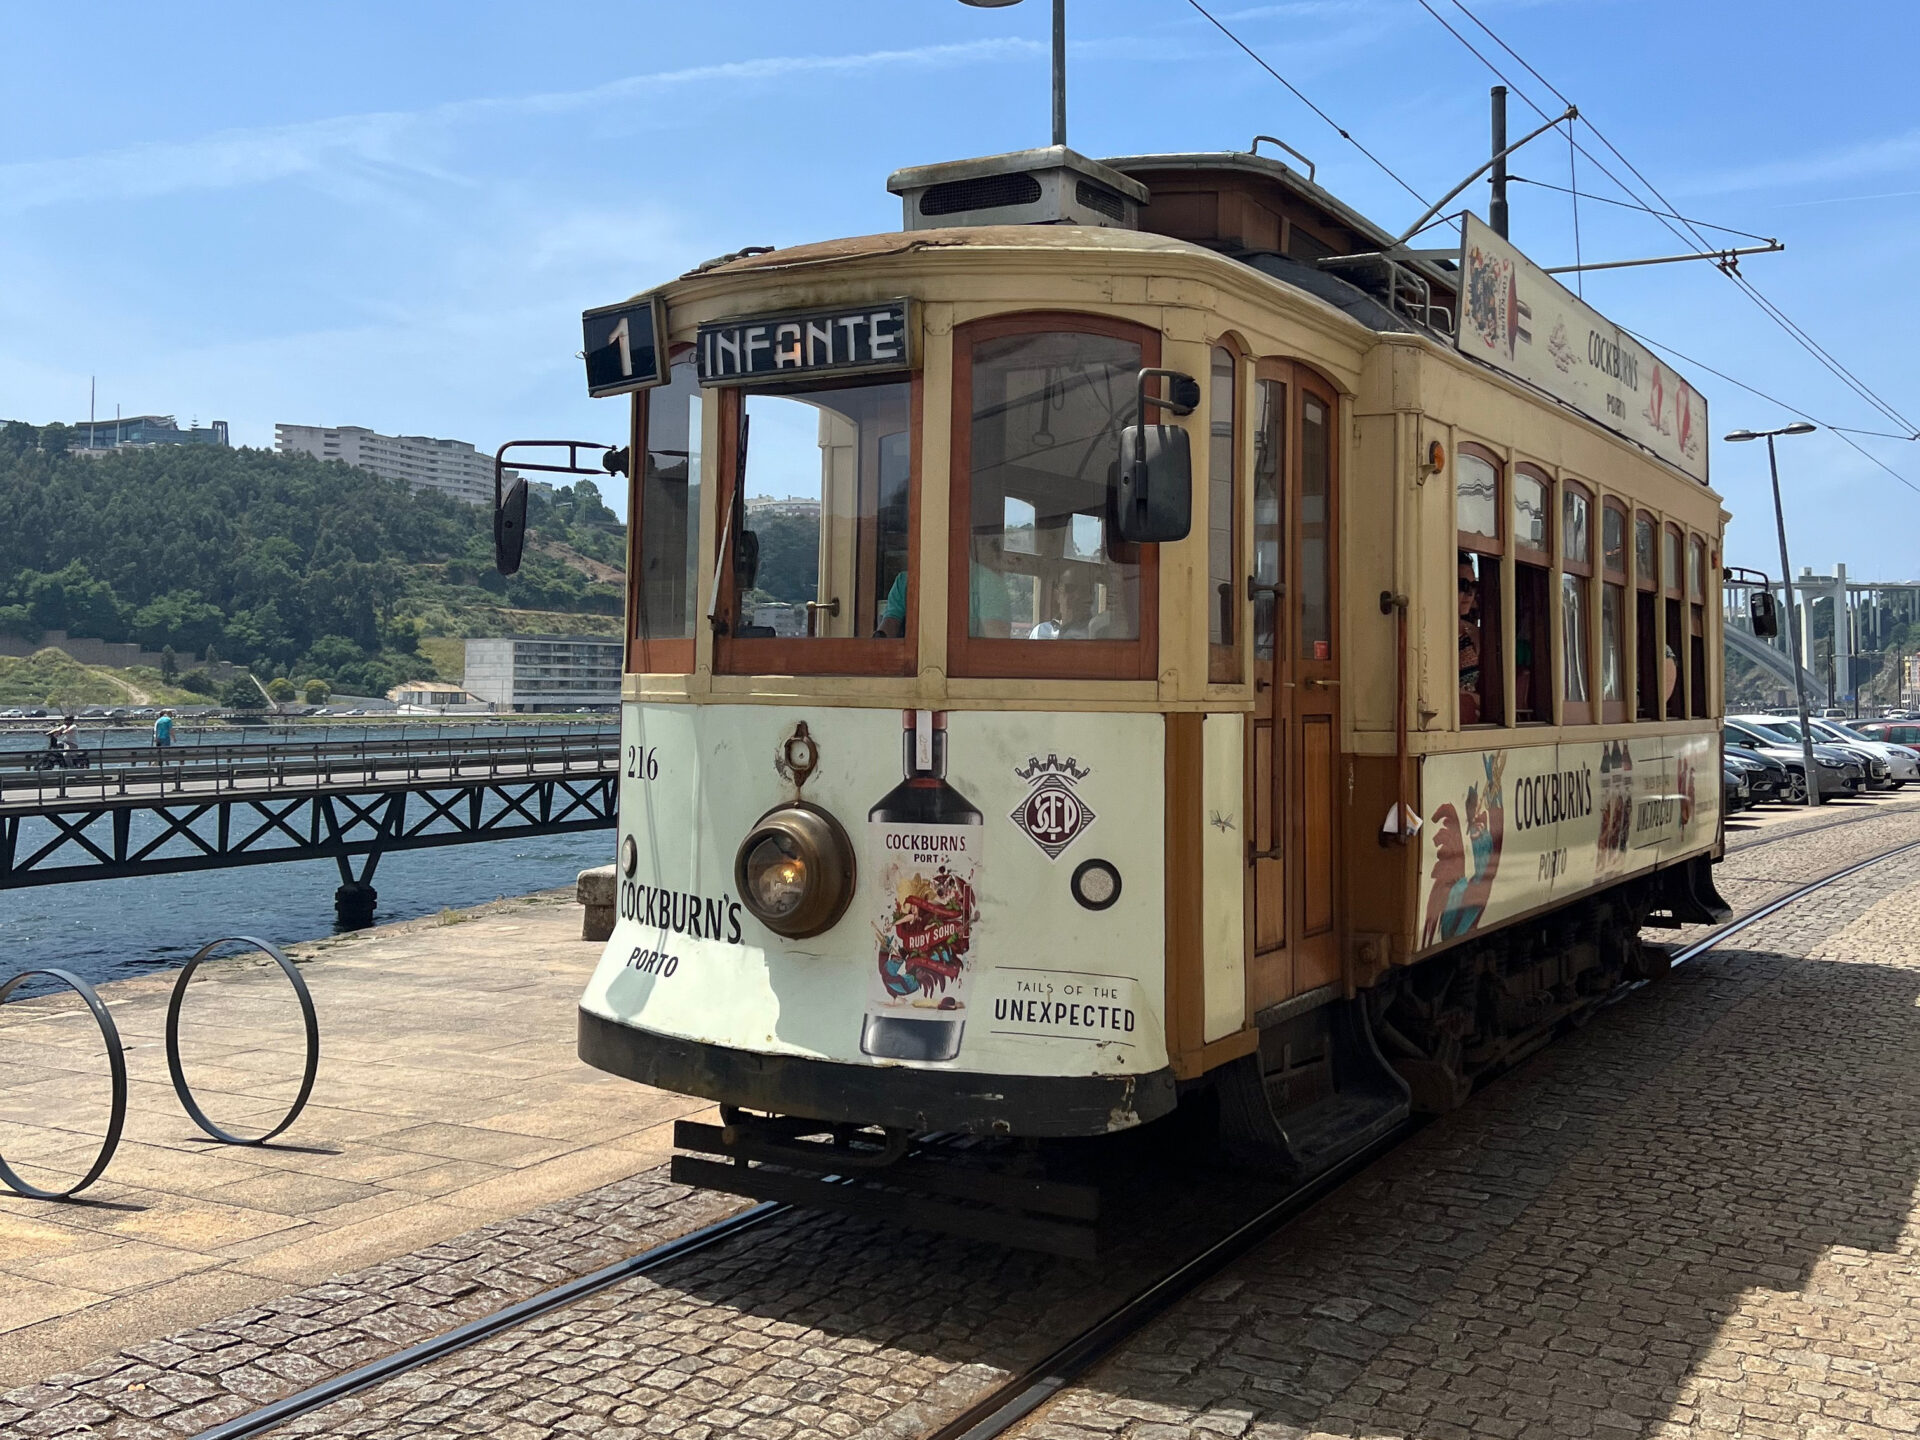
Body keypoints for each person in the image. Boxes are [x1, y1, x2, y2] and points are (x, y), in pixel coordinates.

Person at [1458, 553, 1484, 725]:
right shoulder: (1422, 630)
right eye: (1462, 585)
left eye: (1474, 586)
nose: (1469, 594)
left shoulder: (1475, 635)